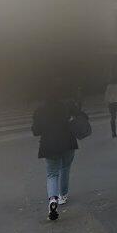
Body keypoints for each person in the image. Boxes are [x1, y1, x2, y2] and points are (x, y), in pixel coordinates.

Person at [32, 80, 83, 220]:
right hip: (68, 142)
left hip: (49, 145)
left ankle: (52, 199)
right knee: (65, 168)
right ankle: (63, 195)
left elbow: (36, 131)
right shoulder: (66, 106)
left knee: (52, 174)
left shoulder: (40, 110)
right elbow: (81, 115)